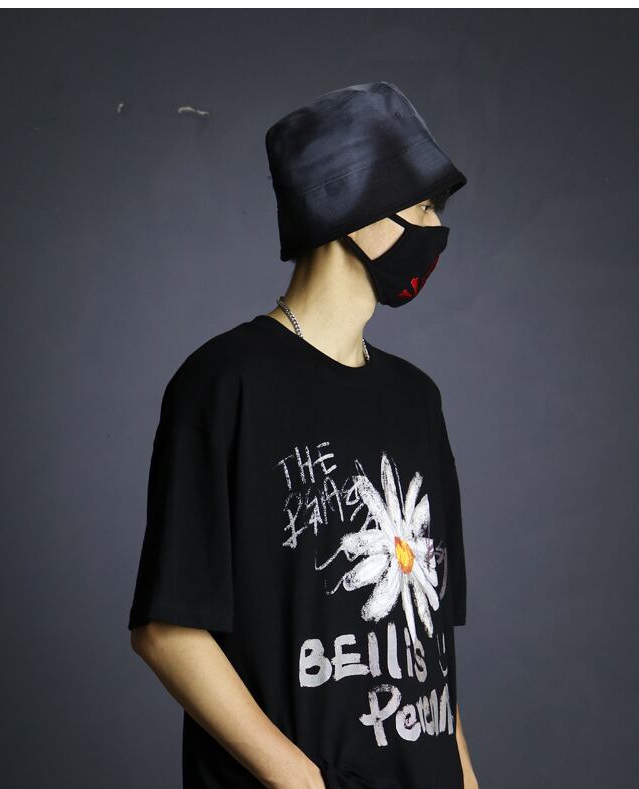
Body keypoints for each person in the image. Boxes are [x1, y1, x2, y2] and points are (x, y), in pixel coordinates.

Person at [128, 81, 477, 789]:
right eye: (421, 206)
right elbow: (167, 629)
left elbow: (428, 647)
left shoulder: (417, 400)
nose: (436, 227)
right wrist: (300, 780)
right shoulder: (225, 383)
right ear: (353, 207)